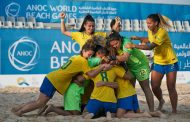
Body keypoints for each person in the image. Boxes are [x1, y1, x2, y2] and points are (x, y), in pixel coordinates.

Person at [11, 39, 111, 117]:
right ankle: (20, 112)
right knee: (40, 102)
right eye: (89, 54)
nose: (89, 57)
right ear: (83, 50)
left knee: (40, 101)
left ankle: (17, 108)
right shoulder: (83, 61)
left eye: (91, 55)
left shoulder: (75, 57)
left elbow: (90, 64)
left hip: (52, 78)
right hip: (54, 81)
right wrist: (102, 66)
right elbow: (91, 74)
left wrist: (100, 62)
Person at [125, 13, 178, 113]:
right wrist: (138, 38)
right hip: (158, 62)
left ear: (156, 23)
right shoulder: (150, 30)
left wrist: (134, 45)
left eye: (149, 23)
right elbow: (149, 39)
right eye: (147, 23)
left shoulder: (162, 32)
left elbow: (150, 46)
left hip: (170, 61)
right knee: (154, 86)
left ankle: (174, 110)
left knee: (171, 87)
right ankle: (161, 101)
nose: (148, 25)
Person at [106, 31, 155, 113]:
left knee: (145, 88)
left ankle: (152, 111)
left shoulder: (126, 42)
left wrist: (111, 57)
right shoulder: (114, 44)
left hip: (141, 65)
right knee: (131, 89)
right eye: (112, 45)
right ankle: (133, 110)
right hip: (130, 66)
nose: (114, 46)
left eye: (116, 43)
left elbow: (125, 57)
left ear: (120, 40)